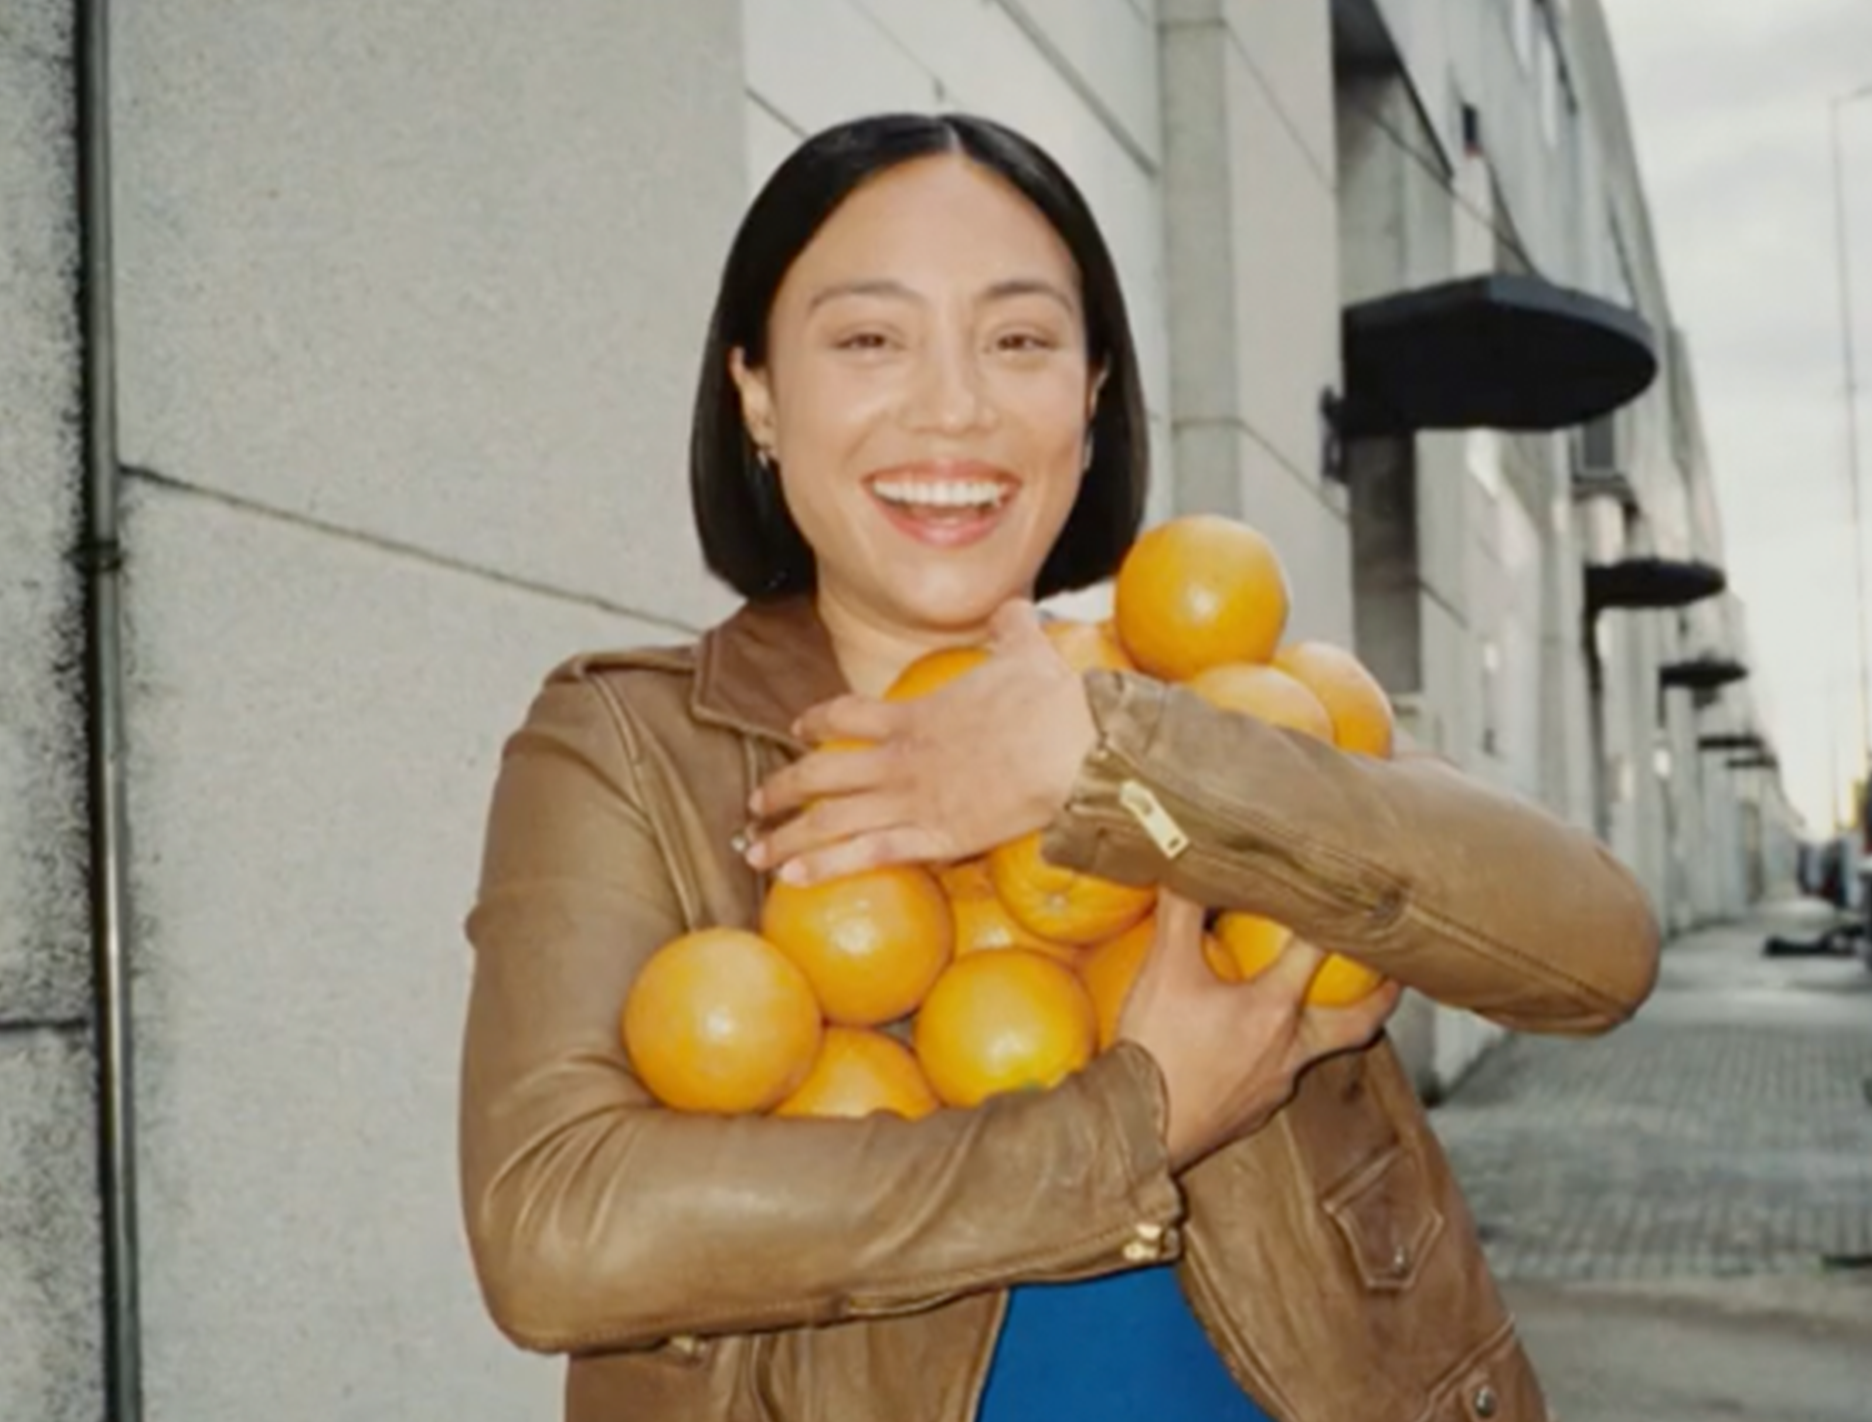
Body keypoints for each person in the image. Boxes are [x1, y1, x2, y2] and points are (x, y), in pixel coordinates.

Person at [458, 111, 1661, 1422]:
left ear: (1090, 396)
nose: (955, 405)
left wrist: (1126, 759)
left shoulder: (1207, 685)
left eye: (1020, 339)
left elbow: (1597, 946)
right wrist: (1122, 1133)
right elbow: (556, 1228)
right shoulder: (626, 747)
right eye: (870, 338)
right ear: (756, 390)